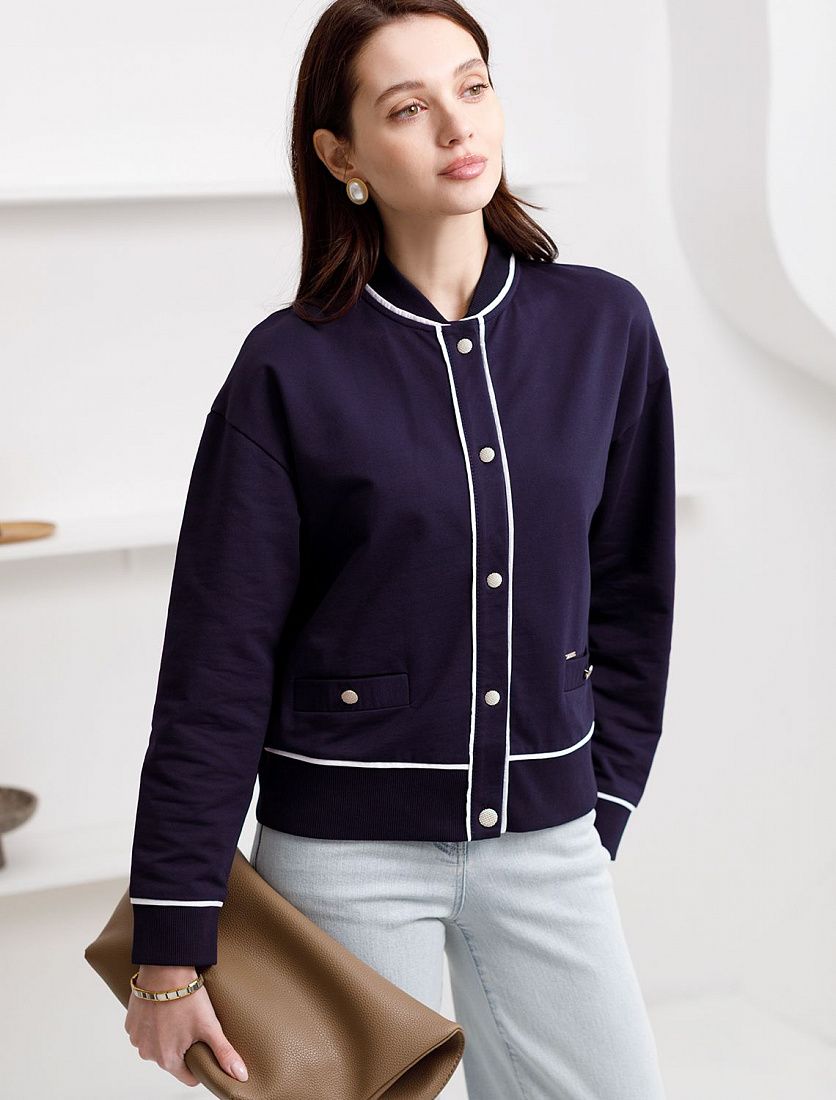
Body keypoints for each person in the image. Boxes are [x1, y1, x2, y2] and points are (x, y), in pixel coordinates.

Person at [124, 2, 676, 1097]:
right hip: (343, 862)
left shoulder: (603, 327)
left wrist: (598, 801)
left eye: (472, 86)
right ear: (341, 156)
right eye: (408, 108)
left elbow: (633, 593)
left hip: (549, 842)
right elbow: (217, 663)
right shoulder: (287, 370)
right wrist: (170, 942)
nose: (457, 126)